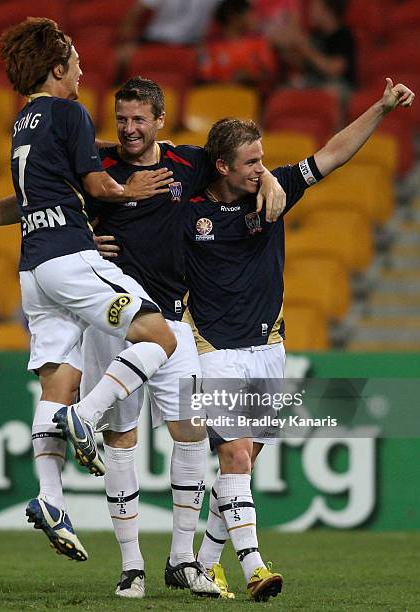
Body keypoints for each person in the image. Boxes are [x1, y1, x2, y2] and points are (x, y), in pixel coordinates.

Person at [0, 17, 183, 564]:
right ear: (58, 69)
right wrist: (130, 190)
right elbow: (99, 186)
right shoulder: (68, 111)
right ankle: (87, 418)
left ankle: (51, 499)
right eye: (77, 62)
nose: (84, 70)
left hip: (32, 271)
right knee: (160, 335)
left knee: (57, 383)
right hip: (69, 254)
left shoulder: (24, 123)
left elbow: (24, 201)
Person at [183, 77, 414, 600]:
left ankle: (202, 564)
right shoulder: (188, 214)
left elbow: (333, 154)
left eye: (262, 158)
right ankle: (255, 568)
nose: (261, 168)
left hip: (270, 348)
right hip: (214, 351)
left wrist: (379, 107)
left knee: (242, 467)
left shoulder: (277, 190)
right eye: (250, 162)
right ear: (222, 166)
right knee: (235, 459)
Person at [84, 76, 286, 598]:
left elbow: (239, 161)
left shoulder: (187, 164)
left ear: (158, 120)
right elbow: (42, 200)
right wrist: (86, 240)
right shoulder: (95, 172)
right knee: (121, 439)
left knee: (192, 433)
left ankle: (182, 559)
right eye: (121, 119)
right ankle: (132, 565)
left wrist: (267, 180)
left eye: (138, 120)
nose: (129, 129)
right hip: (115, 316)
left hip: (174, 322)